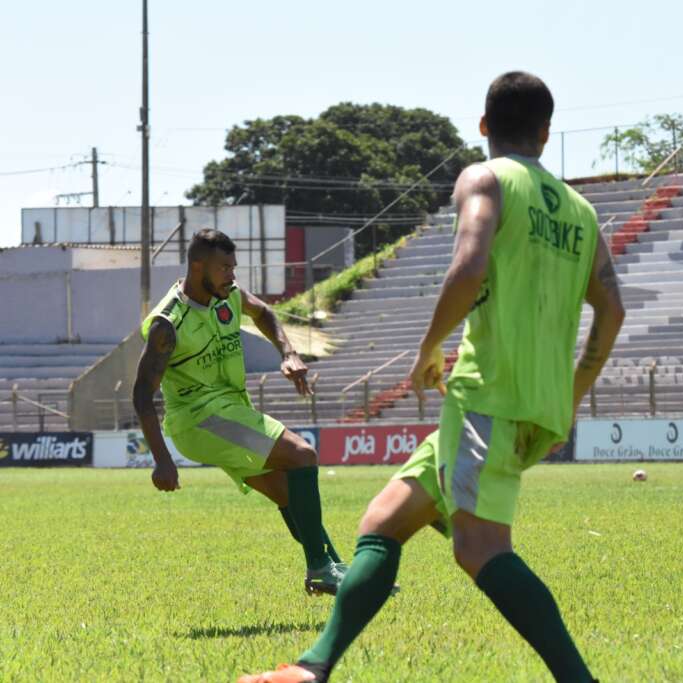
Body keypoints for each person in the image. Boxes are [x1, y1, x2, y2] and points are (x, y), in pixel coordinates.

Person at [238, 70, 625, 683]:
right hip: (536, 405)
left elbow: (469, 264)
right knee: (384, 520)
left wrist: (429, 348)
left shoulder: (485, 178)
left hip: (487, 395)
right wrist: (570, 398)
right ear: (546, 134)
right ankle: (314, 668)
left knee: (479, 548)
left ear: (483, 125)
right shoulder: (581, 212)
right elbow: (613, 309)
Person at [132, 229, 347, 596]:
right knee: (302, 454)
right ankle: (321, 568)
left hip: (229, 411)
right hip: (200, 419)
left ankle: (335, 569)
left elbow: (263, 312)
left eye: (233, 267)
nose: (232, 275)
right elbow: (141, 395)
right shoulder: (168, 323)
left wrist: (288, 352)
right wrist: (162, 460)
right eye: (224, 268)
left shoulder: (228, 295)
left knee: (287, 493)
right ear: (197, 266)